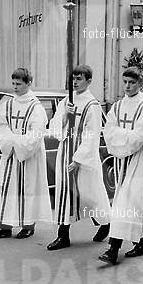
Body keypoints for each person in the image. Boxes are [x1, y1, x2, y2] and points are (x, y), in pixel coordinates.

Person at [46, 65, 111, 250]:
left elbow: (92, 134)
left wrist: (78, 159)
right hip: (64, 152)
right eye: (73, 79)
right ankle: (63, 235)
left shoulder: (93, 105)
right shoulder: (66, 100)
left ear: (89, 81)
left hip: (83, 157)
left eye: (79, 79)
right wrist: (65, 115)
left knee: (90, 194)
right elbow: (55, 127)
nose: (75, 82)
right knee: (65, 193)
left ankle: (106, 223)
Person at [98, 67, 143, 265]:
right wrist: (123, 139)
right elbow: (109, 130)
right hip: (120, 158)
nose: (127, 86)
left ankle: (113, 249)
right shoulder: (117, 106)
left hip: (137, 159)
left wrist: (120, 137)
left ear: (140, 83)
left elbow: (140, 136)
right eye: (125, 82)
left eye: (132, 83)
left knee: (126, 202)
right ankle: (142, 243)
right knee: (130, 203)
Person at [0, 68, 52, 239]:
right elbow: (0, 125)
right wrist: (10, 143)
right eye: (13, 84)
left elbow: (37, 132)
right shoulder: (8, 104)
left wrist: (20, 145)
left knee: (27, 188)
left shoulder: (36, 107)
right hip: (10, 153)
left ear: (28, 83)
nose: (15, 87)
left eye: (19, 84)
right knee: (5, 187)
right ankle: (4, 226)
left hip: (28, 155)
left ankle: (28, 225)